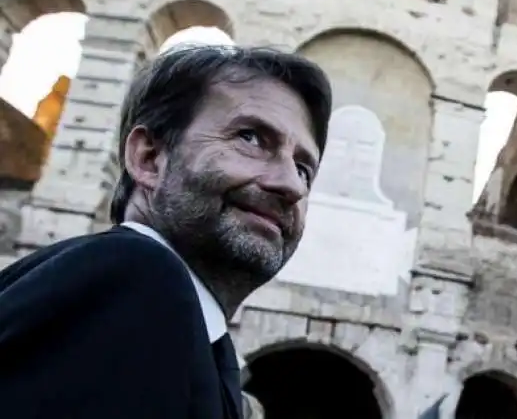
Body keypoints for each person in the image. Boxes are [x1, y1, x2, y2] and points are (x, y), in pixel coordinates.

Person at [0, 43, 332, 419]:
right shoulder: (134, 277)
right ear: (149, 158)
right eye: (251, 138)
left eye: (304, 169)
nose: (292, 185)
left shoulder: (198, 342)